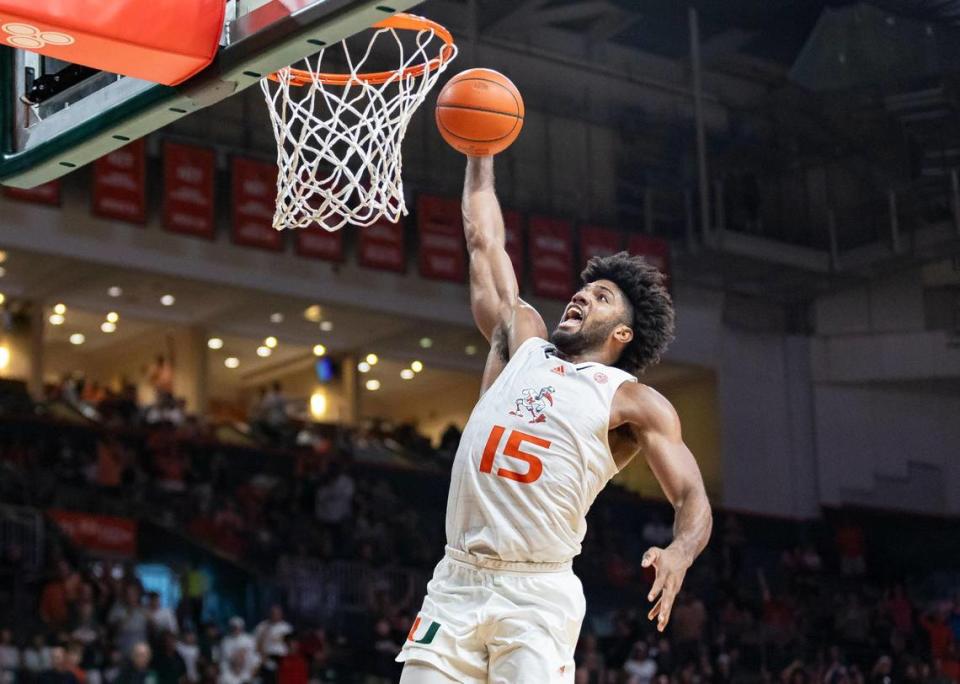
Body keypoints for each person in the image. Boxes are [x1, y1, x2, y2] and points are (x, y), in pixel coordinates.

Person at [396, 156, 713, 683]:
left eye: (601, 297)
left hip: (536, 594)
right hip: (456, 580)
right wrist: (481, 155)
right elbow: (484, 242)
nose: (582, 295)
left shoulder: (632, 401)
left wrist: (680, 552)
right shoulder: (521, 338)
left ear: (622, 335)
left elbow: (692, 496)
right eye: (584, 289)